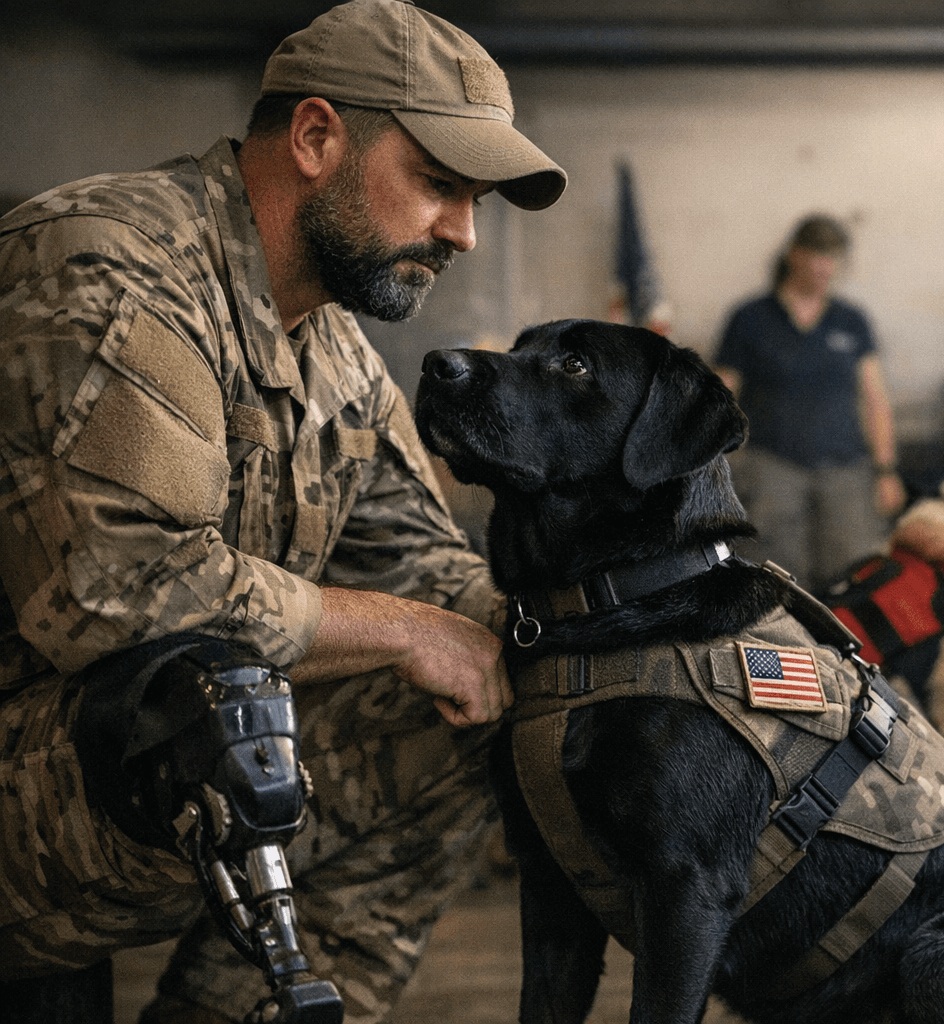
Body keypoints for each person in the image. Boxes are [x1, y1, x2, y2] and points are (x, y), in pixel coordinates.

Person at [0, 2, 566, 1022]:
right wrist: (401, 631)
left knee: (497, 692)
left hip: (88, 768)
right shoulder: (109, 264)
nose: (466, 234)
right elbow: (118, 593)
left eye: (473, 199)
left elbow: (432, 577)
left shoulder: (334, 353)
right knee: (223, 706)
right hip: (41, 755)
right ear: (316, 138)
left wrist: (607, 630)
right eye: (439, 185)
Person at [714, 213, 905, 593]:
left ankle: (842, 653)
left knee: (852, 577)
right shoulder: (750, 318)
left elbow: (875, 400)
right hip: (772, 469)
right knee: (775, 579)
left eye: (833, 257)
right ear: (793, 255)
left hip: (845, 472)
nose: (825, 267)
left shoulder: (851, 321)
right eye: (817, 255)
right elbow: (721, 394)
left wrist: (886, 470)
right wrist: (707, 464)